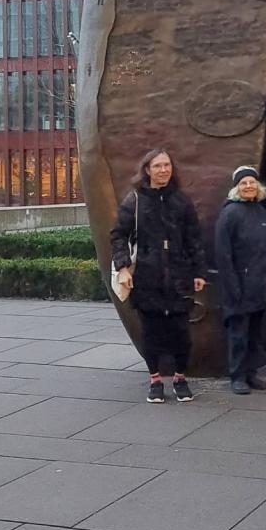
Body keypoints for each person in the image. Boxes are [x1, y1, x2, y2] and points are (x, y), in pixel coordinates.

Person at [111, 148, 206, 404]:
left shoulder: (181, 200)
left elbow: (193, 238)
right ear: (147, 170)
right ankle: (155, 379)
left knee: (182, 335)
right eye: (157, 166)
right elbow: (119, 234)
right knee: (151, 333)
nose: (163, 170)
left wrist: (198, 271)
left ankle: (179, 377)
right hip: (146, 277)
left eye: (167, 165)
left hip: (178, 276)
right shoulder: (135, 200)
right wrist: (122, 267)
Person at [214, 165, 266, 394]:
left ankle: (250, 373)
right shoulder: (230, 214)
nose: (248, 186)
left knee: (255, 334)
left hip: (260, 284)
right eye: (243, 183)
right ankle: (237, 375)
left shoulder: (259, 211)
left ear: (258, 186)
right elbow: (223, 254)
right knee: (238, 334)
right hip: (239, 286)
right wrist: (233, 287)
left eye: (251, 183)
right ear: (236, 188)